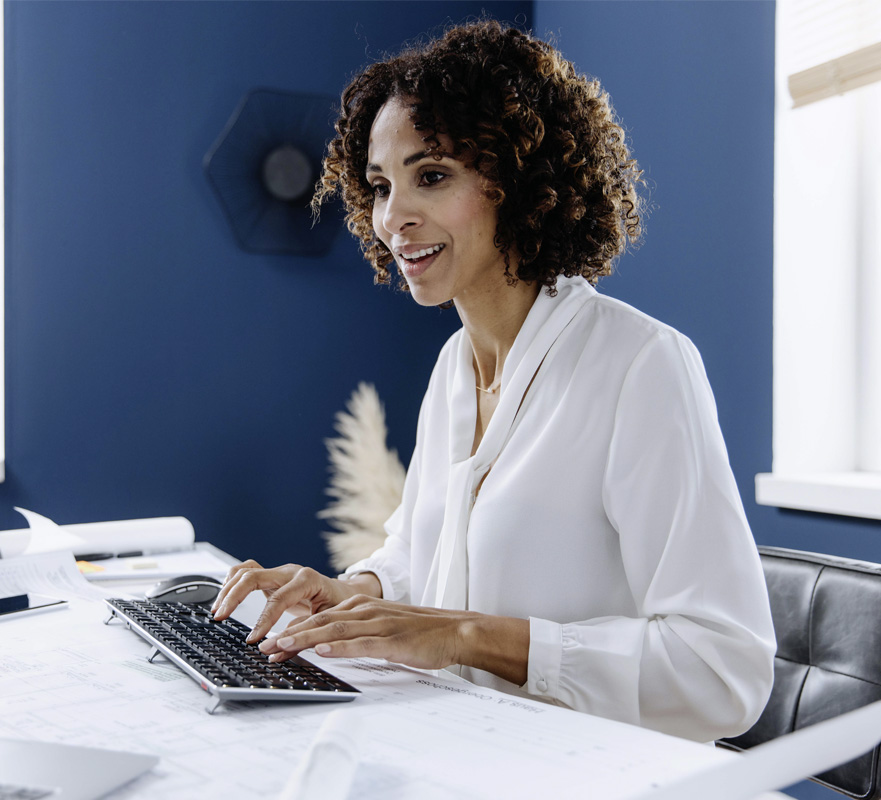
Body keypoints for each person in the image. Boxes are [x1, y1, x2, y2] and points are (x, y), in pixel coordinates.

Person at [211, 19, 775, 742]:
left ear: (518, 180)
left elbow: (724, 672)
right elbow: (424, 556)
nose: (394, 217)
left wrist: (468, 636)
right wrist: (352, 590)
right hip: (464, 756)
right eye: (381, 187)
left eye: (432, 176)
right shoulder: (454, 366)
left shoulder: (641, 365)